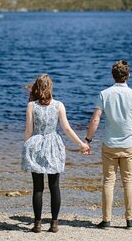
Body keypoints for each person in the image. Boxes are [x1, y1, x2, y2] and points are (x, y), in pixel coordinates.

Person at [21, 73, 90, 233]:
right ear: (50, 87)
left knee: (38, 188)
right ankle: (54, 224)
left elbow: (29, 130)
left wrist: (25, 146)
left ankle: (37, 224)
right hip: (53, 146)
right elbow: (66, 128)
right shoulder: (59, 105)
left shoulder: (32, 106)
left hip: (36, 144)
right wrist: (81, 144)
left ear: (37, 88)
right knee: (54, 187)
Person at [84, 59, 132, 229]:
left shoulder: (104, 94)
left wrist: (88, 140)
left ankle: (106, 219)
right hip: (128, 145)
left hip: (109, 144)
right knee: (128, 181)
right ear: (128, 75)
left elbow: (96, 119)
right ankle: (130, 219)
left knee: (108, 181)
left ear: (113, 75)